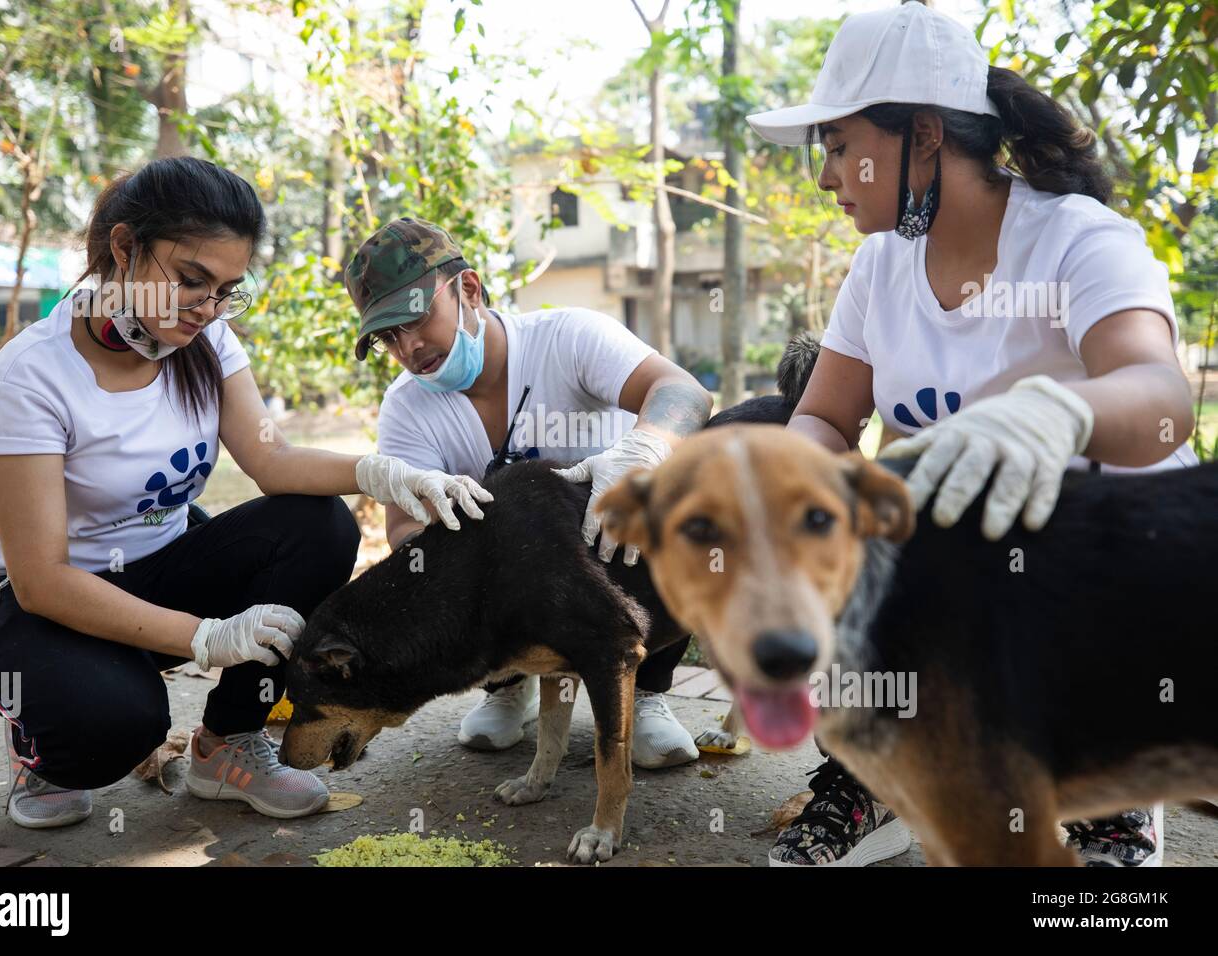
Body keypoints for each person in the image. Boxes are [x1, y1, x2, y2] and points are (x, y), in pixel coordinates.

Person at [747, 2, 1196, 866]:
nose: (826, 173)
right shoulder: (882, 265)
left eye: (839, 144)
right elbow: (829, 417)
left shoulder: (1077, 243)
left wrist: (1061, 411)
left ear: (921, 136)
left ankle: (1115, 798)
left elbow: (1164, 399)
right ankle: (878, 776)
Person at [0, 157, 491, 829]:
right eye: (190, 280)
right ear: (124, 249)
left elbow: (272, 459)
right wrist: (208, 635)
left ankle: (227, 744)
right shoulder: (29, 378)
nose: (206, 309)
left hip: (148, 572)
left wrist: (385, 473)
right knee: (117, 727)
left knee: (320, 526)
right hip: (31, 609)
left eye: (225, 290)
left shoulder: (207, 340)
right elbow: (41, 580)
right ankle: (45, 748)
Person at [345, 217, 715, 767]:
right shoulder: (407, 406)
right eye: (387, 336)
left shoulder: (569, 337)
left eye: (416, 318)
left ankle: (647, 690)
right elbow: (402, 530)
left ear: (468, 289)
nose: (408, 346)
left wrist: (639, 456)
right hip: (510, 596)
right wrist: (468, 560)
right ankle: (507, 683)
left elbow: (682, 392)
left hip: (617, 547)